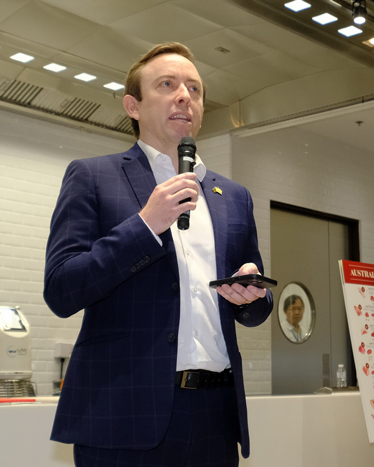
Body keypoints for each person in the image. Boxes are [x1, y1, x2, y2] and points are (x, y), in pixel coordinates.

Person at [43, 42, 273, 467]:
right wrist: (145, 224)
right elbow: (61, 289)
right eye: (167, 85)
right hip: (124, 416)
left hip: (216, 417)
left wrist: (252, 295)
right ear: (133, 106)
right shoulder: (93, 177)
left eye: (194, 89)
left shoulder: (233, 196)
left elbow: (255, 306)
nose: (184, 95)